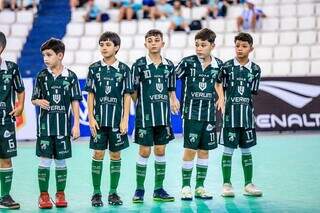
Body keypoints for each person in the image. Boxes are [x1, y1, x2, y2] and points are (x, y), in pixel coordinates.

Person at [31, 38, 82, 209]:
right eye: (43, 55)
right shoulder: (41, 76)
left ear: (59, 55)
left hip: (63, 128)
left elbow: (75, 101)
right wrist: (39, 102)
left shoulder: (71, 77)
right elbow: (33, 99)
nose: (45, 58)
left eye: (49, 55)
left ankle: (60, 194)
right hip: (45, 128)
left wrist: (75, 124)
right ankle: (43, 195)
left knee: (61, 162)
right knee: (44, 161)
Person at [131, 29, 180, 203]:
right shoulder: (139, 65)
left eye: (156, 40)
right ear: (145, 44)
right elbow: (133, 91)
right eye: (150, 40)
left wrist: (174, 99)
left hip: (163, 117)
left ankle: (158, 189)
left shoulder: (169, 65)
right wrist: (141, 107)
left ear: (162, 43)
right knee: (144, 152)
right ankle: (139, 190)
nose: (153, 43)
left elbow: (171, 89)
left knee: (160, 150)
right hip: (144, 117)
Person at [84, 31, 133, 207]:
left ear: (116, 47)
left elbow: (127, 96)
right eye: (102, 44)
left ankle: (113, 192)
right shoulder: (94, 68)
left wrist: (125, 119)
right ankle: (96, 193)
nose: (104, 47)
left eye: (108, 44)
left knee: (115, 154)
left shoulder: (124, 70)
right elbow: (90, 95)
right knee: (97, 154)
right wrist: (91, 118)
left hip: (116, 121)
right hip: (99, 120)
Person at [175, 28, 224, 200]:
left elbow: (220, 84)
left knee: (204, 151)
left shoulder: (219, 65)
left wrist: (222, 97)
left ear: (212, 45)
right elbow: (170, 79)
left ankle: (200, 187)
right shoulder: (187, 62)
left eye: (203, 45)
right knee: (190, 150)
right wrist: (173, 97)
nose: (199, 48)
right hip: (191, 114)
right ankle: (185, 186)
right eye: (197, 45)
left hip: (209, 115)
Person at [218, 32, 262, 197]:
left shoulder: (256, 69)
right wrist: (221, 98)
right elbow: (218, 84)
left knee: (246, 150)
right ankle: (226, 184)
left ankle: (248, 184)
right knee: (228, 150)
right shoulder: (227, 67)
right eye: (237, 46)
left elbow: (252, 92)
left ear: (251, 48)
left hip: (247, 118)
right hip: (230, 117)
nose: (240, 49)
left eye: (244, 46)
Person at [0, 31, 25, 210]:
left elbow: (21, 89)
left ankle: (5, 196)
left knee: (6, 159)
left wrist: (21, 106)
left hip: (5, 122)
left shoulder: (11, 68)